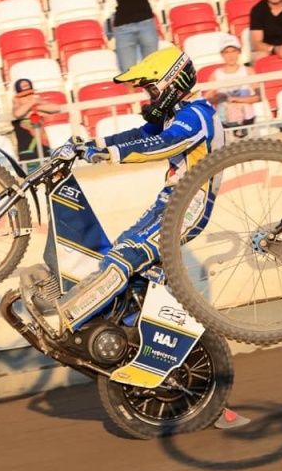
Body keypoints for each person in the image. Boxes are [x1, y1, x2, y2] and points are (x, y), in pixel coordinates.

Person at [36, 46, 226, 332]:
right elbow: (137, 135)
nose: (149, 98)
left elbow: (164, 143)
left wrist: (109, 154)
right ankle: (134, 328)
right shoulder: (176, 114)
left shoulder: (197, 115)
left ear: (172, 83)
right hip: (169, 203)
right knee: (130, 257)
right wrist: (88, 146)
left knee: (123, 257)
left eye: (151, 90)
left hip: (190, 205)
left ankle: (68, 321)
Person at [102, 0, 159, 76]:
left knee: (153, 70)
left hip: (145, 21)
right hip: (123, 26)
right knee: (128, 75)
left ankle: (155, 96)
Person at [205, 34, 261, 139]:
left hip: (248, 121)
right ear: (222, 54)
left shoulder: (248, 71)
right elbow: (207, 100)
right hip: (225, 123)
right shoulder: (216, 75)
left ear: (238, 52)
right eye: (227, 52)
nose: (230, 56)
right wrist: (220, 99)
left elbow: (259, 97)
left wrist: (234, 99)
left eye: (233, 51)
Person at [10, 78, 61, 167]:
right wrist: (32, 103)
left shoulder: (36, 105)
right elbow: (18, 113)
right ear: (17, 98)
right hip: (28, 158)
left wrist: (37, 104)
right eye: (24, 96)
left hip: (45, 152)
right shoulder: (17, 106)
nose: (28, 97)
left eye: (30, 94)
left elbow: (57, 108)